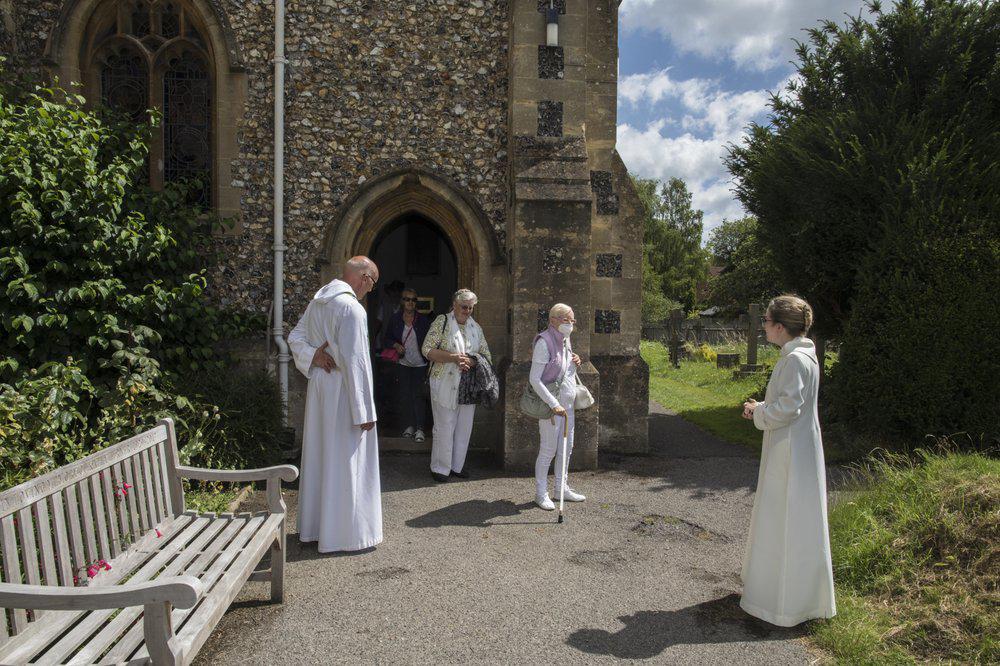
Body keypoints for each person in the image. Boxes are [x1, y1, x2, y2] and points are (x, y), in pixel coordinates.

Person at [740, 295, 835, 626]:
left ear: (780, 326)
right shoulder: (802, 357)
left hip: (790, 451)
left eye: (766, 321)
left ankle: (783, 605)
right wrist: (765, 406)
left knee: (785, 519)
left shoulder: (794, 361)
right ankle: (789, 596)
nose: (763, 326)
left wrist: (758, 410)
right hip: (796, 445)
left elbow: (788, 408)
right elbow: (789, 402)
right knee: (792, 519)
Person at [287, 256, 382, 552]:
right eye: (373, 282)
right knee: (345, 459)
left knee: (320, 456)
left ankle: (315, 530)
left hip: (320, 386)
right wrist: (364, 412)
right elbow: (356, 363)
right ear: (364, 277)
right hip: (344, 392)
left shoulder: (319, 302)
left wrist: (313, 354)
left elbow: (294, 337)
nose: (371, 289)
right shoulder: (351, 308)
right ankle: (345, 535)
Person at [422, 288, 491, 483]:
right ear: (454, 305)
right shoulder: (442, 322)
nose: (467, 311)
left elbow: (486, 355)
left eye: (470, 308)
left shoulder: (476, 328)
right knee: (444, 425)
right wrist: (453, 358)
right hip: (443, 380)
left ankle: (456, 465)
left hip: (468, 384)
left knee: (464, 426)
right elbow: (427, 349)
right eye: (463, 307)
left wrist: (471, 360)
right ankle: (440, 467)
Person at [531, 303, 584, 510]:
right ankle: (540, 493)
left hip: (567, 406)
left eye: (572, 320)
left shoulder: (565, 339)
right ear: (553, 320)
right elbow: (535, 379)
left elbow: (563, 370)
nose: (570, 324)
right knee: (548, 450)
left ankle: (561, 489)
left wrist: (574, 361)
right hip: (551, 407)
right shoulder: (544, 342)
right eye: (566, 320)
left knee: (566, 449)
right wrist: (554, 405)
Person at [385, 287, 431, 441]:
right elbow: (387, 339)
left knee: (418, 396)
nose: (410, 302)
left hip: (420, 365)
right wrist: (395, 345)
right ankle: (408, 426)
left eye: (413, 299)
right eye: (407, 299)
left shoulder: (423, 320)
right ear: (402, 301)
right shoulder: (395, 319)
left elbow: (431, 342)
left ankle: (420, 429)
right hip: (402, 364)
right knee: (404, 396)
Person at [373, 279, 405, 349]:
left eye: (398, 291)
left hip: (403, 344)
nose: (396, 293)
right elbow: (378, 323)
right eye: (394, 291)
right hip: (387, 344)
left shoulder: (405, 307)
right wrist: (372, 338)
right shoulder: (384, 306)